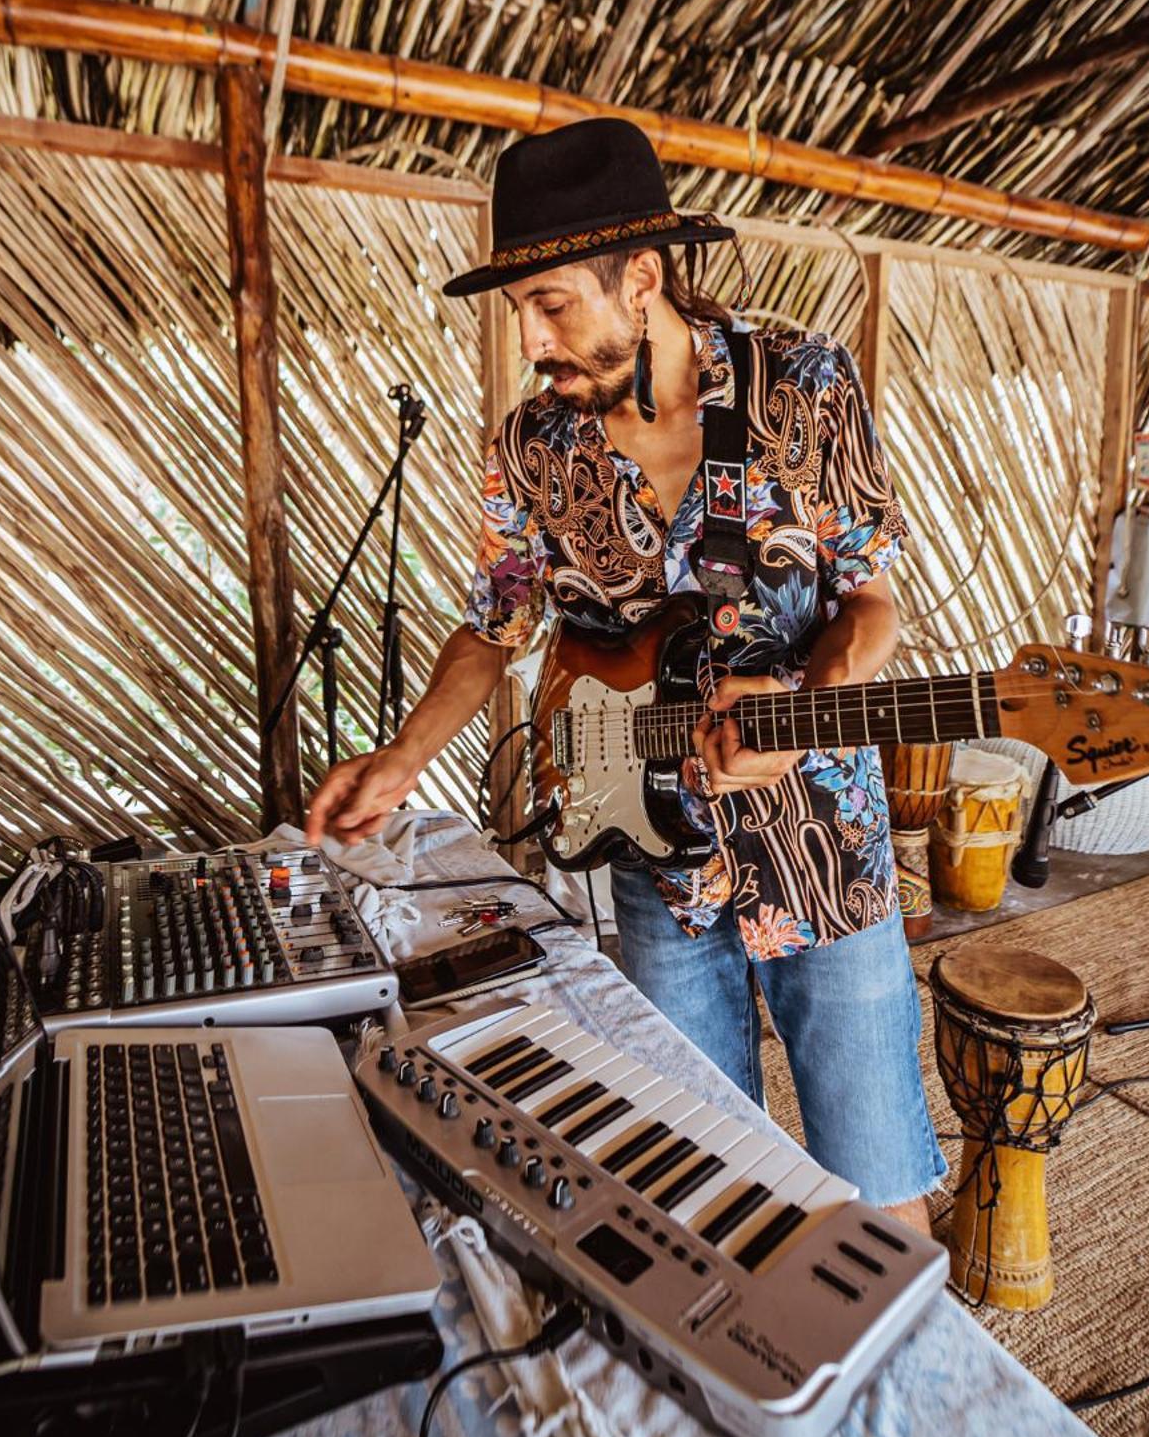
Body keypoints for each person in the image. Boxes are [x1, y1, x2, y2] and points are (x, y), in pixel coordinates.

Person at [305, 117, 944, 1232]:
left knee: (881, 1183)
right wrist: (401, 761)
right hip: (654, 875)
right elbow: (496, 623)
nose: (532, 339)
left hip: (824, 847)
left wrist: (801, 703)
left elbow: (873, 599)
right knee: (702, 1188)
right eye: (520, 312)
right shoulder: (529, 447)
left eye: (551, 303)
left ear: (640, 276)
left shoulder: (802, 383)